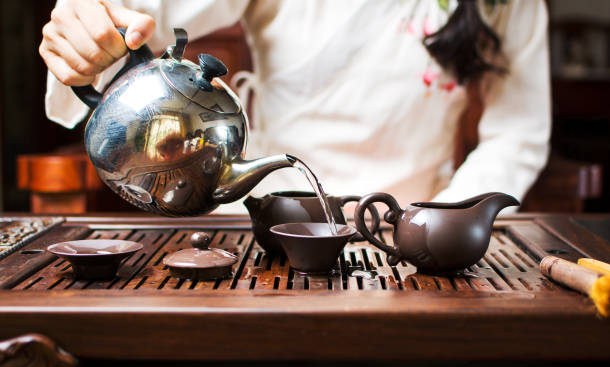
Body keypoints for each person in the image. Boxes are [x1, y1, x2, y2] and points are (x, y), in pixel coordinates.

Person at [40, 0, 550, 213]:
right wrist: (91, 25)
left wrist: (442, 220)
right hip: (263, 211)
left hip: (414, 218)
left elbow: (517, 134)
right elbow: (142, 13)